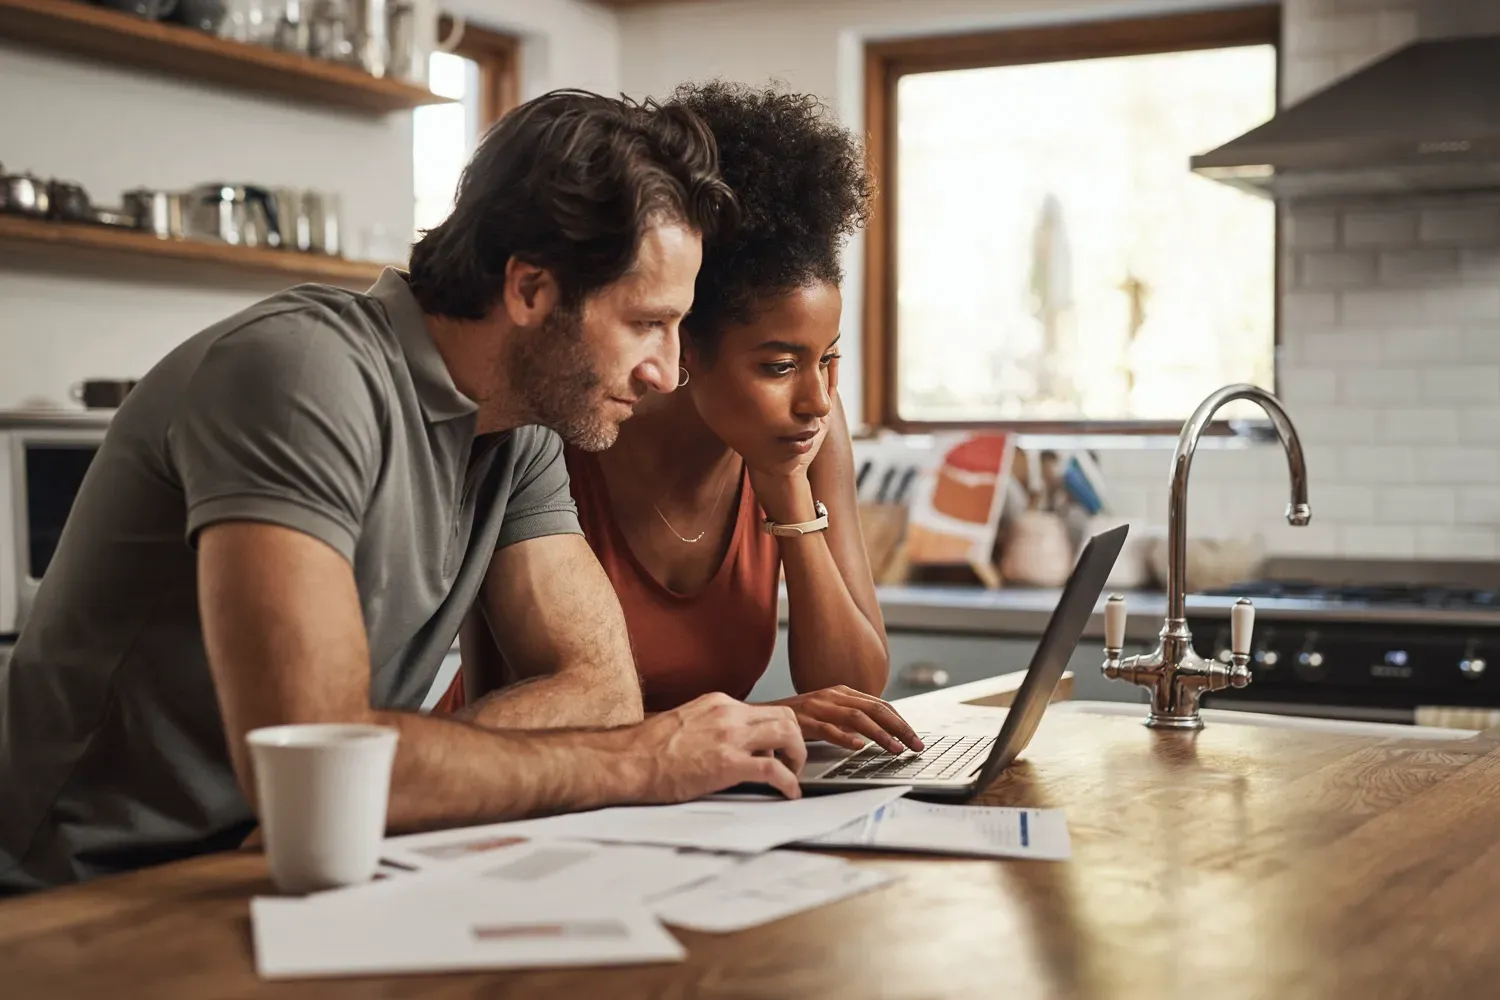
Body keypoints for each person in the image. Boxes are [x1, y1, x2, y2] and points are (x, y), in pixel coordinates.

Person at [0, 90, 809, 894]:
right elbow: (317, 759)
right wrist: (641, 762)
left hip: (301, 867)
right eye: (645, 323)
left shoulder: (521, 428)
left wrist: (388, 774)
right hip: (87, 893)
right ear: (530, 290)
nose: (666, 371)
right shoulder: (301, 377)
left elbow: (600, 690)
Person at [447, 82, 922, 757]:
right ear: (685, 343)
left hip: (690, 797)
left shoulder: (807, 434)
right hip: (517, 784)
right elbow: (524, 700)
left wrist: (786, 490)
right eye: (780, 366)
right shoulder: (567, 427)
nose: (817, 399)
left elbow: (855, 691)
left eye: (830, 360)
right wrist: (759, 720)